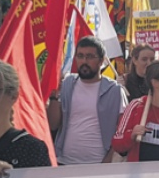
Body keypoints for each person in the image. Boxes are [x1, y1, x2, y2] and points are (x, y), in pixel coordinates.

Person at [48, 37, 128, 165]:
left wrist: (109, 158)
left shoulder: (114, 91)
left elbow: (123, 129)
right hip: (64, 162)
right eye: (80, 56)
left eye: (90, 57)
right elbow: (53, 125)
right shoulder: (67, 84)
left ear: (101, 61)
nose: (84, 61)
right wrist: (54, 97)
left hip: (98, 164)